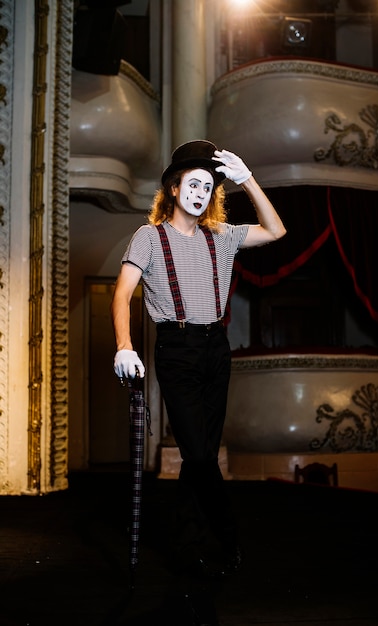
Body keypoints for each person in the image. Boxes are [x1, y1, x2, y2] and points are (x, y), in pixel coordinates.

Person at [111, 140, 286, 582]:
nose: (200, 193)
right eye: (193, 183)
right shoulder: (149, 237)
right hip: (177, 349)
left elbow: (277, 230)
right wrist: (124, 344)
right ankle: (228, 536)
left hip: (215, 349)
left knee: (200, 455)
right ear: (173, 188)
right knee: (199, 453)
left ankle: (187, 549)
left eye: (208, 186)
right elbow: (122, 293)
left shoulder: (221, 237)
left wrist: (248, 180)